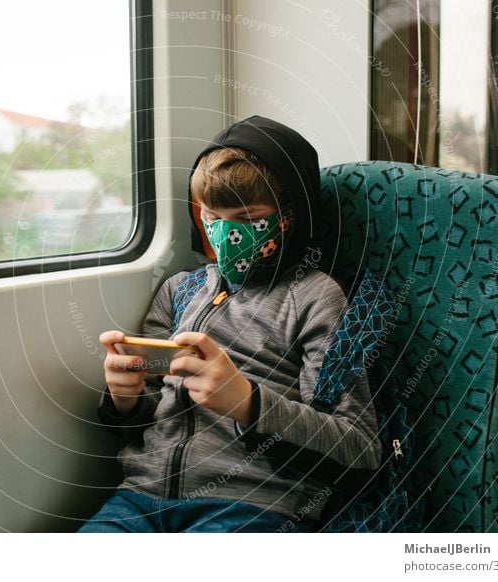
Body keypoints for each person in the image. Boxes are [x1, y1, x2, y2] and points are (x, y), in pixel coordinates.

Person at [78, 115, 381, 533]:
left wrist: (247, 402)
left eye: (246, 217)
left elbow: (358, 445)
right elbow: (152, 410)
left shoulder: (316, 297)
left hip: (254, 504)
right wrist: (124, 398)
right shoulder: (179, 291)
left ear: (289, 215)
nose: (225, 235)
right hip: (139, 499)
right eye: (212, 218)